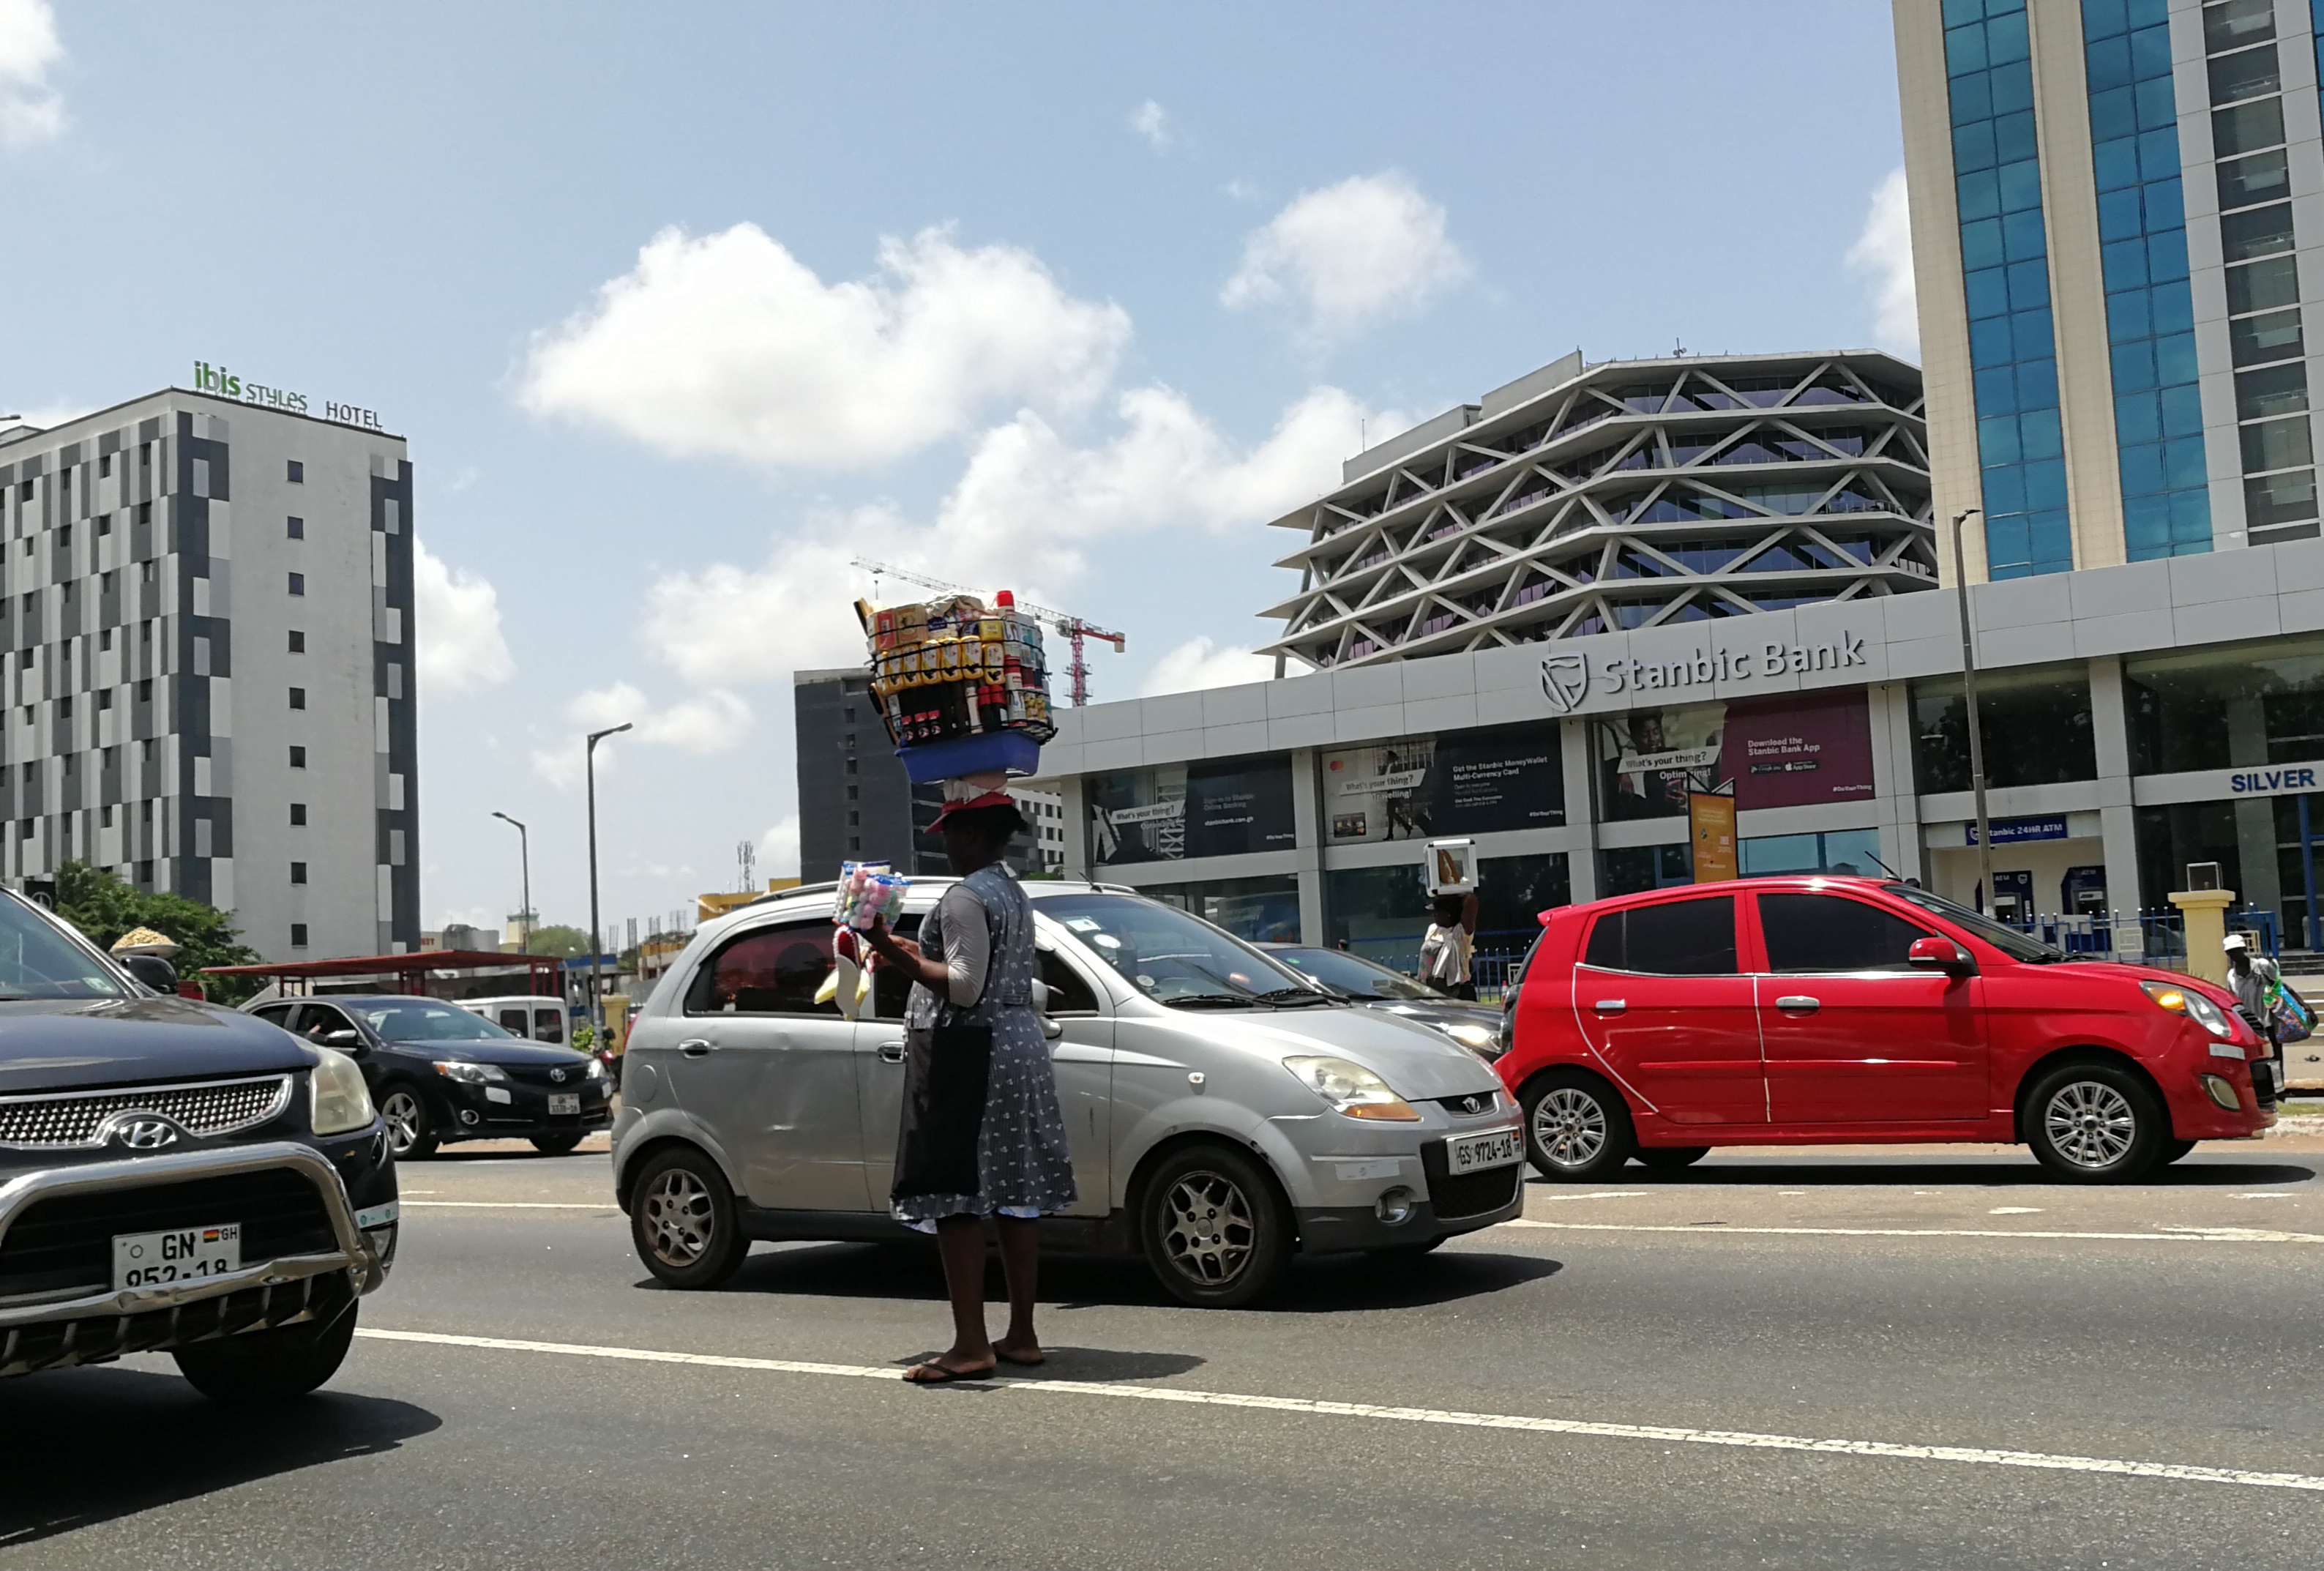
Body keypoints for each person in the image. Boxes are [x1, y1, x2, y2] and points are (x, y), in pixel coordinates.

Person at [862, 792, 1076, 1384]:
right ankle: (1023, 1334)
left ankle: (970, 1345)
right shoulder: (1010, 890)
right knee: (1012, 1190)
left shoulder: (963, 896)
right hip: (1016, 1041)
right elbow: (974, 968)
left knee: (955, 1191)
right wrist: (912, 954)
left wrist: (881, 944)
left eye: (953, 834)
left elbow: (961, 987)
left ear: (978, 836)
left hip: (967, 1049)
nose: (944, 843)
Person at [2224, 932, 2284, 1080]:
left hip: (2268, 1020)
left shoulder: (2261, 966)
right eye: (2231, 952)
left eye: (2237, 951)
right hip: (2249, 1024)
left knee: (2276, 1055)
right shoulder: (2231, 976)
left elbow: (2277, 986)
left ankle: (2279, 1084)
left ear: (2244, 950)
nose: (2235, 955)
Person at [1417, 891, 1478, 1001]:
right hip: (1430, 990)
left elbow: (1471, 900)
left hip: (1456, 992)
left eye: (1438, 913)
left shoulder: (1461, 933)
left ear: (1449, 915)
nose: (1434, 916)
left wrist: (1455, 889)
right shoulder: (1433, 929)